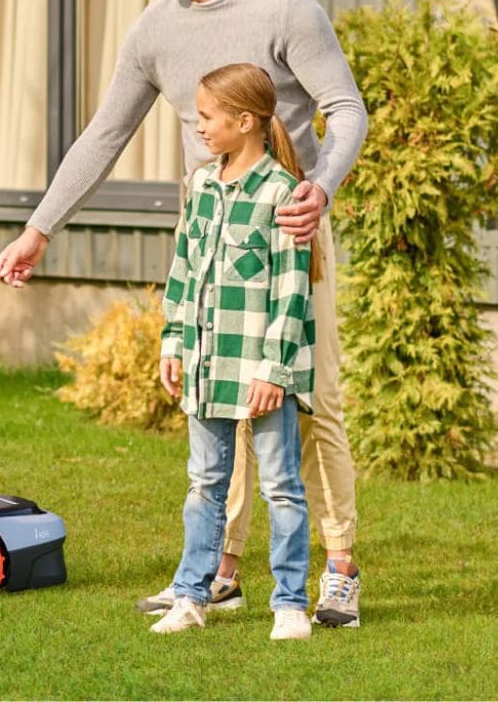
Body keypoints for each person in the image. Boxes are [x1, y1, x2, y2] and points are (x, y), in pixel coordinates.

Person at [0, 0, 369, 628]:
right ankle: (221, 571)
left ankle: (339, 571)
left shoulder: (284, 7)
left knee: (310, 401)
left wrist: (320, 188)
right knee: (219, 396)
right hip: (208, 229)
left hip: (289, 228)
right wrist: (39, 229)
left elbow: (345, 108)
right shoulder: (154, 31)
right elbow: (104, 135)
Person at [153, 62, 318, 641]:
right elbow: (183, 270)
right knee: (205, 484)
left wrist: (274, 370)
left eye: (207, 117)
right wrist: (173, 341)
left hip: (262, 372)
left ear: (245, 122)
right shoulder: (201, 185)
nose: (199, 127)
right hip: (206, 365)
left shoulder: (283, 194)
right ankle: (190, 596)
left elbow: (291, 291)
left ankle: (290, 605)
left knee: (281, 488)